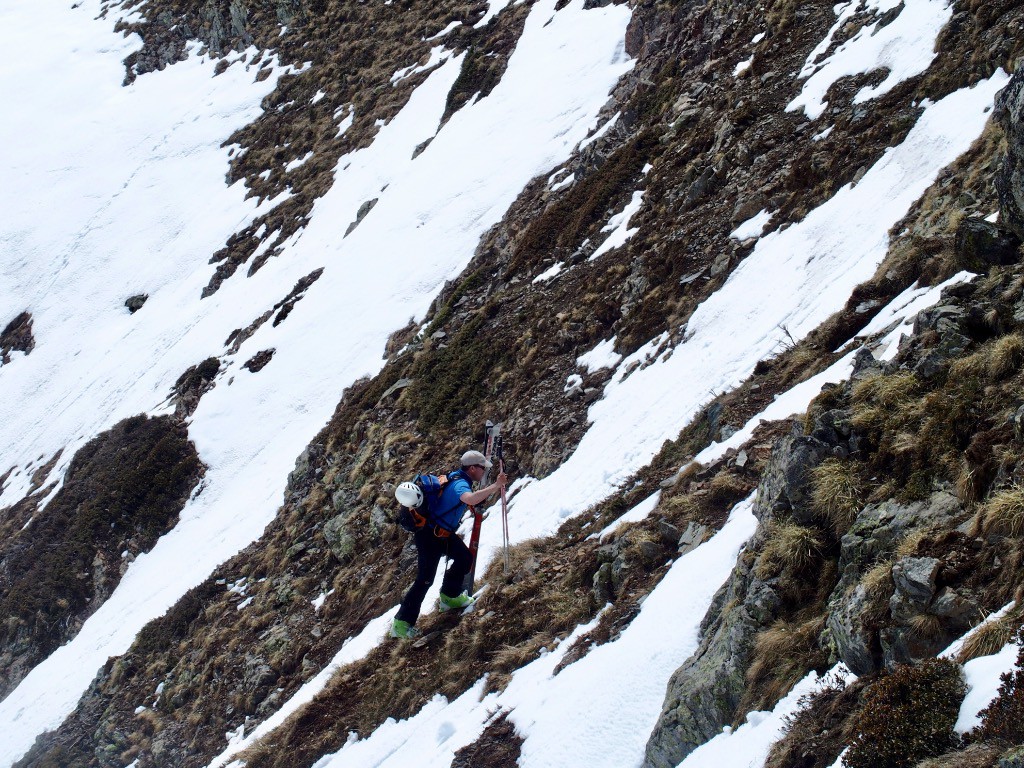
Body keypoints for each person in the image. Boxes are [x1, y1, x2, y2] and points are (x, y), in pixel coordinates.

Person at [391, 449, 508, 639]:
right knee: (425, 580)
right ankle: (402, 624)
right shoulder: (461, 484)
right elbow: (469, 498)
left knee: (464, 557)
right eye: (482, 468)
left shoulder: (455, 477)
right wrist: (496, 485)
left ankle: (449, 597)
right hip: (430, 536)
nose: (483, 472)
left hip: (441, 533)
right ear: (472, 469)